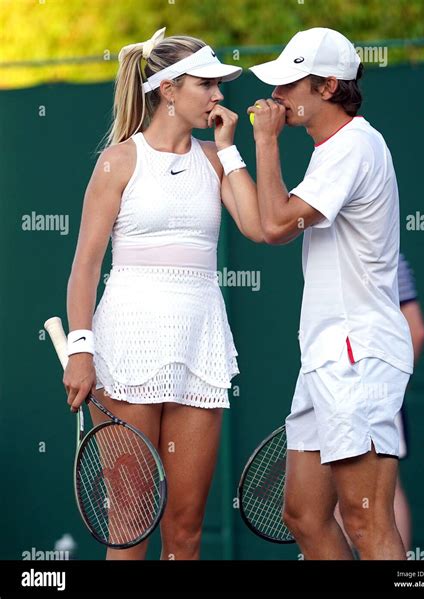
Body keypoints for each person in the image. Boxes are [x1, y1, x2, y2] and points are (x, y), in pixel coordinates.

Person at [63, 26, 261, 560]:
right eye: (208, 84)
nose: (220, 96)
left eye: (220, 86)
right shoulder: (118, 162)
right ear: (169, 90)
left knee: (186, 529)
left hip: (199, 345)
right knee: (130, 526)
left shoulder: (218, 159)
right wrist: (80, 348)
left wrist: (231, 149)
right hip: (127, 346)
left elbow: (259, 225)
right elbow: (84, 266)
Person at [248, 28, 414, 560]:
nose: (277, 97)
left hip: (357, 353)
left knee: (366, 520)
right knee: (303, 513)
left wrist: (265, 141)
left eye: (288, 85)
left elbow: (275, 224)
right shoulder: (331, 150)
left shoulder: (355, 145)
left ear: (327, 87)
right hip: (327, 355)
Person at [334, 253, 424, 553]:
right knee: (331, 495)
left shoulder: (386, 257)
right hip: (335, 386)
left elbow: (416, 330)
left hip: (371, 385)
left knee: (381, 495)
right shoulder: (327, 252)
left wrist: (388, 386)